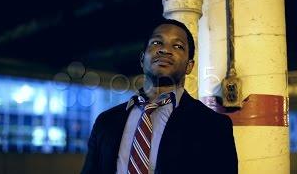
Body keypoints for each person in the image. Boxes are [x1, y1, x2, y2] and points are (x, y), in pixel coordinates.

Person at [81, 18, 238, 174]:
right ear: (142, 59)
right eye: (157, 43)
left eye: (178, 46)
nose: (165, 50)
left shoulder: (213, 126)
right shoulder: (106, 121)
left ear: (189, 66)